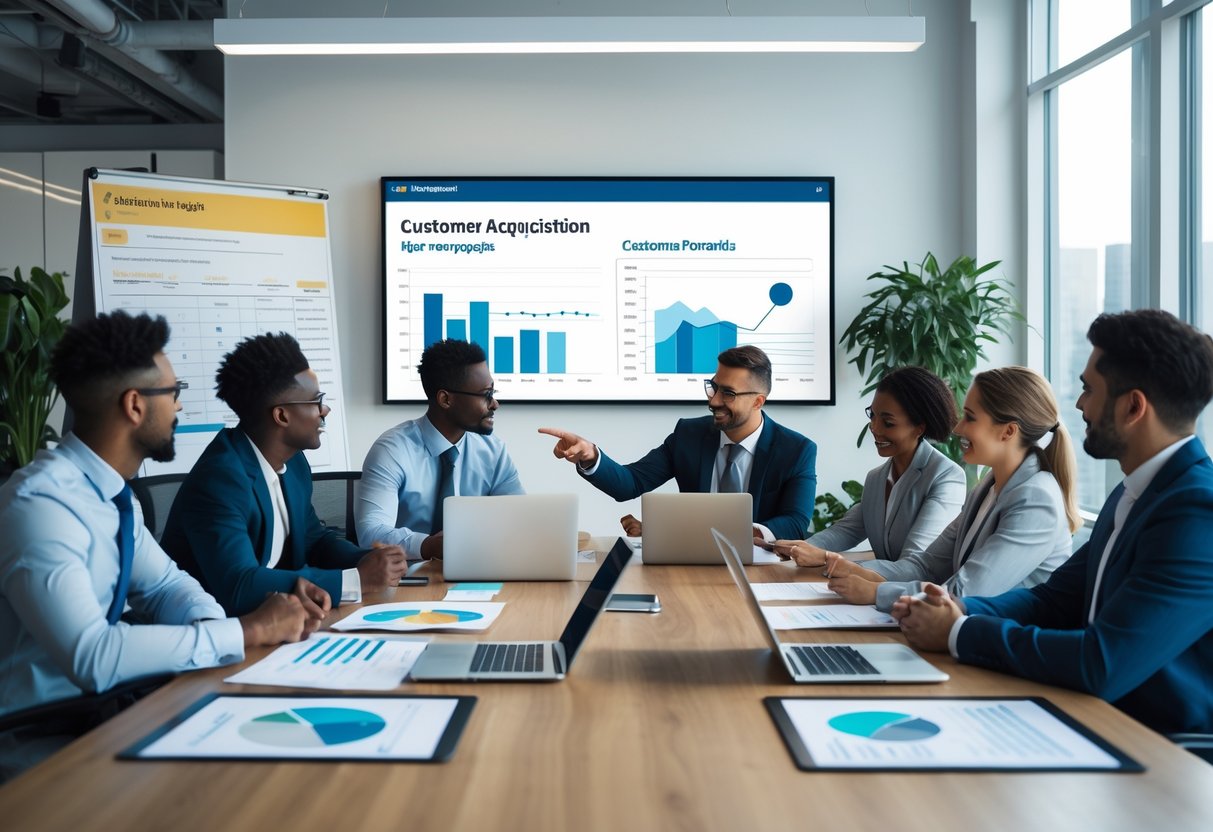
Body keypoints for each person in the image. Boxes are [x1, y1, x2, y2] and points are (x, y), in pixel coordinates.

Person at [0, 311, 322, 780]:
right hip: (39, 740)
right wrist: (245, 632)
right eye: (173, 394)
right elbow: (93, 655)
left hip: (107, 714)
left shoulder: (111, 495)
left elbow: (168, 586)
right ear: (134, 405)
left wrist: (219, 631)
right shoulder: (39, 506)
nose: (179, 408)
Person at [893, 310, 1213, 736]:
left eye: (1088, 389)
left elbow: (1103, 662)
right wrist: (958, 610)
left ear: (1134, 406)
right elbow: (1050, 602)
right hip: (1091, 717)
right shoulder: (1132, 493)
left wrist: (960, 632)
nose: (1079, 404)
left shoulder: (1196, 510)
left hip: (1158, 746)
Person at [161, 333, 408, 615]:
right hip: (214, 630)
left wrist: (368, 559)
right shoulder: (221, 478)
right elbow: (237, 585)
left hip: (278, 621)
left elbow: (314, 540)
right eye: (316, 401)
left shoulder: (294, 464)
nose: (324, 410)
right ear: (281, 416)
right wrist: (354, 580)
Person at [824, 366, 1080, 612]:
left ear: (1008, 431)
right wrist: (858, 571)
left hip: (1005, 645)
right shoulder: (988, 488)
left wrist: (875, 592)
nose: (957, 428)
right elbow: (926, 566)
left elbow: (966, 591)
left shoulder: (1036, 499)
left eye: (970, 417)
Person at [540, 345, 816, 541]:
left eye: (728, 393)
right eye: (713, 386)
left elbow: (794, 523)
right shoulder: (690, 434)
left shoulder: (796, 450)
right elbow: (630, 482)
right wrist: (590, 455)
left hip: (760, 568)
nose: (714, 400)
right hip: (690, 566)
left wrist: (669, 531)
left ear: (758, 401)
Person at [771, 366, 964, 567]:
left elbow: (914, 563)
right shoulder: (877, 478)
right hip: (877, 591)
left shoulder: (946, 476)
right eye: (872, 415)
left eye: (888, 423)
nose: (874, 428)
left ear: (919, 427)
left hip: (921, 595)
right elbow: (845, 531)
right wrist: (798, 549)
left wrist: (829, 559)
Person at [356, 339, 523, 561]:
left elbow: (521, 522)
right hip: (406, 578)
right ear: (446, 399)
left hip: (477, 572)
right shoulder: (391, 451)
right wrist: (428, 546)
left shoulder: (493, 452)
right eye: (486, 394)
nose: (494, 404)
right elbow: (370, 534)